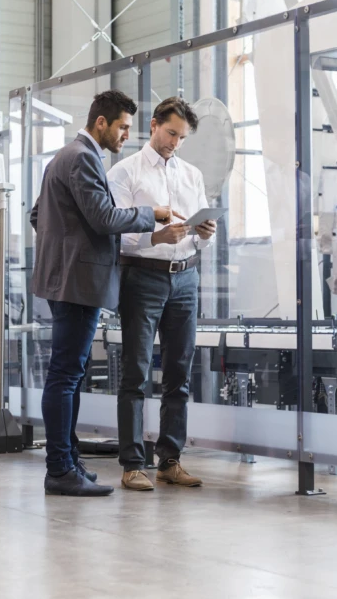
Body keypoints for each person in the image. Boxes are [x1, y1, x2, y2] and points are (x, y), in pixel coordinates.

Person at [30, 89, 179, 497]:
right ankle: (60, 469)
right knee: (65, 377)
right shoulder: (82, 157)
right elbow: (103, 218)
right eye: (123, 127)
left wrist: (63, 245)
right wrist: (154, 214)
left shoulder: (66, 156)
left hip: (68, 279)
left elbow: (37, 215)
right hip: (77, 284)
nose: (126, 136)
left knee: (70, 377)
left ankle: (69, 461)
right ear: (102, 123)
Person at [107, 97, 216, 491]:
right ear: (153, 125)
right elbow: (115, 232)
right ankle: (132, 464)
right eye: (171, 133)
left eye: (182, 137)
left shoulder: (192, 174)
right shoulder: (125, 172)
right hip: (143, 278)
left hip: (186, 278)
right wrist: (156, 236)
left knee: (179, 374)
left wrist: (204, 233)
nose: (175, 143)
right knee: (136, 372)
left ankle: (170, 460)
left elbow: (200, 225)